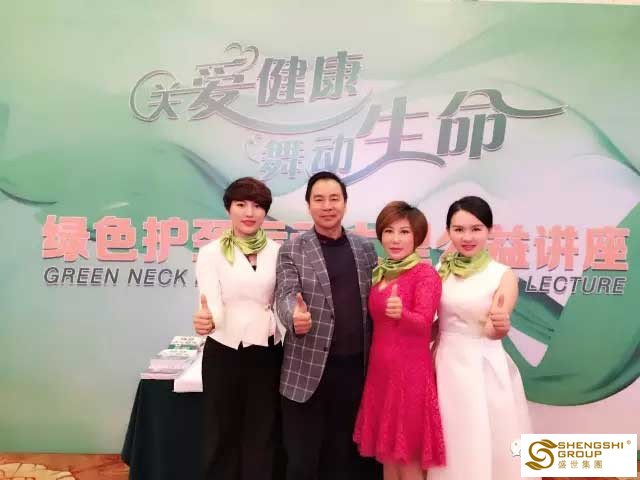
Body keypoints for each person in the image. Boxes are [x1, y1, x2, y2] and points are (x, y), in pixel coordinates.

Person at [274, 171, 381, 480]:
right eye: (319, 199)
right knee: (303, 463)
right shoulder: (293, 249)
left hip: (354, 372)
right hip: (307, 372)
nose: (327, 206)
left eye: (334, 198)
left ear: (345, 203)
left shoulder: (365, 249)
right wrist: (294, 317)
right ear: (308, 205)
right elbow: (285, 295)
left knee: (344, 460)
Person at [428, 196, 538, 480]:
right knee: (449, 435)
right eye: (458, 229)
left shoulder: (501, 274)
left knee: (485, 437)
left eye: (475, 229)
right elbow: (435, 323)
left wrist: (499, 326)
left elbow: (494, 329)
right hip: (444, 363)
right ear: (448, 231)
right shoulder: (440, 270)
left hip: (482, 367)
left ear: (489, 230)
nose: (467, 237)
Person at [193, 177, 285, 480]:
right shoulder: (211, 253)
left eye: (257, 206)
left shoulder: (278, 252)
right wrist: (207, 321)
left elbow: (282, 302)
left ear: (265, 212)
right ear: (228, 209)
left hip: (267, 351)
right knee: (221, 432)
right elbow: (210, 301)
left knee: (262, 432)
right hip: (224, 350)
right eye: (241, 204)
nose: (249, 212)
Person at [354, 201, 446, 480]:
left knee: (408, 459)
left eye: (404, 232)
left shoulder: (425, 274)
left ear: (417, 237)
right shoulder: (381, 272)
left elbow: (425, 324)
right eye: (389, 231)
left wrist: (402, 314)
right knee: (388, 457)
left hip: (410, 375)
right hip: (380, 373)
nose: (396, 239)